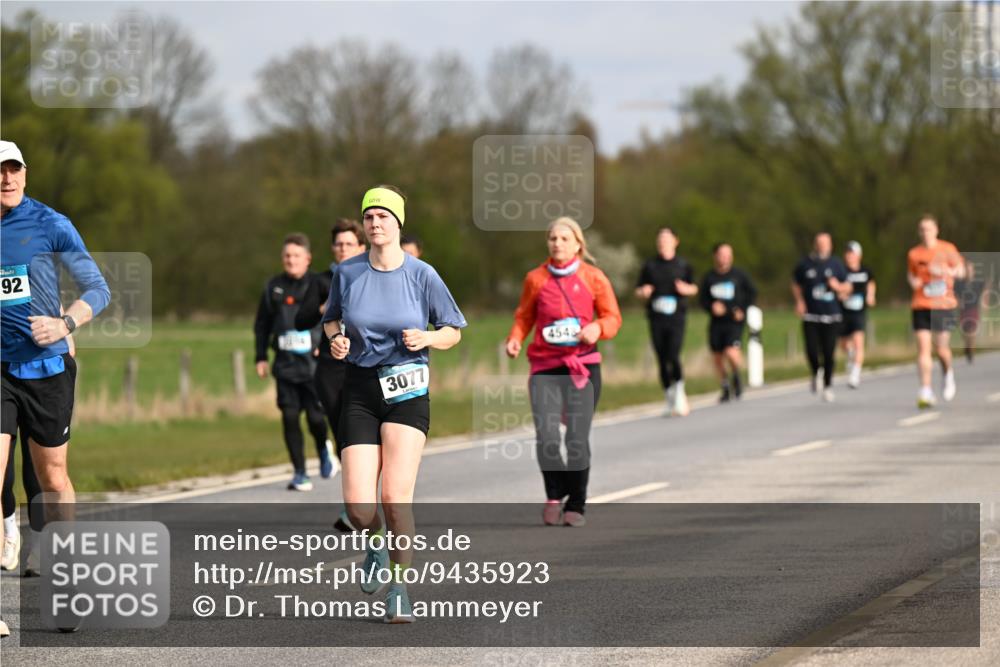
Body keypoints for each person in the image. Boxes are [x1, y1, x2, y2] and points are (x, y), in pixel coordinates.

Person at [322, 184, 466, 623]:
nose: (375, 223)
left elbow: (454, 329)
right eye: (369, 217)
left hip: (407, 392)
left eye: (383, 216)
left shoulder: (423, 274)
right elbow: (331, 322)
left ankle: (400, 588)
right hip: (361, 390)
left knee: (393, 496)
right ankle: (374, 545)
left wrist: (428, 337)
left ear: (398, 223)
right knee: (361, 509)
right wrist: (338, 342)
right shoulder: (347, 273)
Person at [1, 140, 111, 637]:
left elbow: (99, 289)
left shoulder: (50, 223)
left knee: (52, 481)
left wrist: (66, 324)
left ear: (25, 174)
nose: (6, 179)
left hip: (46, 369)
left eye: (13, 170)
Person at [505, 217, 622, 528]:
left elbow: (613, 317)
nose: (557, 243)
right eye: (553, 238)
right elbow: (524, 316)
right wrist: (515, 338)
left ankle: (577, 504)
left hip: (582, 366)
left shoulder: (594, 277)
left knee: (576, 438)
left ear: (578, 245)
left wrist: (597, 327)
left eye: (564, 239)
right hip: (544, 366)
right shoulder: (535, 279)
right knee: (546, 435)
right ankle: (555, 495)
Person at [295, 219, 367, 530]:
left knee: (366, 434)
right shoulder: (322, 280)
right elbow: (300, 319)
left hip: (363, 364)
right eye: (338, 244)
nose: (343, 249)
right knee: (344, 434)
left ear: (361, 247)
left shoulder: (370, 275)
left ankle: (367, 502)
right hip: (329, 367)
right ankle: (352, 507)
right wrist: (326, 308)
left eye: (349, 244)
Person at [254, 233, 330, 491]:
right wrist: (261, 356)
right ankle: (300, 472)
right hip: (285, 367)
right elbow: (262, 324)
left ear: (307, 259)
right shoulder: (273, 287)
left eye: (296, 255)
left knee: (316, 419)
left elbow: (335, 318)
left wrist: (326, 345)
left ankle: (322, 448)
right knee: (289, 417)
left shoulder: (320, 285)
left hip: (314, 367)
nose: (291, 260)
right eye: (287, 255)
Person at [635, 228, 698, 416]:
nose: (662, 243)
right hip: (656, 317)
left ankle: (680, 393)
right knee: (661, 359)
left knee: (673, 354)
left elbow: (694, 287)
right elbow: (638, 290)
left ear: (675, 241)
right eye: (660, 239)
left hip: (677, 317)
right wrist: (643, 292)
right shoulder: (650, 266)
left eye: (666, 239)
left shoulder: (683, 265)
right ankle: (669, 398)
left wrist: (687, 289)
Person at [907, 215, 965, 408]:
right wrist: (913, 281)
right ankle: (925, 389)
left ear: (936, 230)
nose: (926, 232)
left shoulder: (947, 249)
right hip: (922, 304)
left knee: (941, 350)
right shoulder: (914, 253)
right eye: (922, 229)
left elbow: (961, 271)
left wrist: (946, 271)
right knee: (923, 349)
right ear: (919, 232)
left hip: (943, 305)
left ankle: (948, 373)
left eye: (929, 229)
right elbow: (912, 274)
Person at [791, 232, 849, 402]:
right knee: (811, 350)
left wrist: (837, 286)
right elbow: (795, 283)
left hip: (831, 316)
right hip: (811, 315)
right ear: (815, 244)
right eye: (820, 243)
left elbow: (847, 287)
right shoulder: (805, 264)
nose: (823, 246)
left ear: (830, 245)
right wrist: (799, 301)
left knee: (829, 353)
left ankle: (828, 385)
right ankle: (816, 371)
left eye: (826, 243)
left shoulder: (836, 264)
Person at [699, 243, 757, 403]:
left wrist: (742, 310)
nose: (725, 258)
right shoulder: (709, 277)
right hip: (717, 322)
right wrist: (711, 307)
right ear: (715, 256)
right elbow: (702, 300)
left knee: (731, 352)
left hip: (734, 321)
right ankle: (725, 385)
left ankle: (737, 375)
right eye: (722, 254)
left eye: (728, 254)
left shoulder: (739, 275)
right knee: (717, 357)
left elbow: (752, 293)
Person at [839, 241, 876, 389]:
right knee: (843, 344)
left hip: (859, 312)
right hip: (843, 311)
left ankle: (855, 374)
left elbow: (871, 283)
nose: (850, 256)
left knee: (859, 341)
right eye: (847, 253)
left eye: (852, 253)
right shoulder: (841, 271)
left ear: (858, 255)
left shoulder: (865, 271)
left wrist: (871, 296)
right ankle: (850, 354)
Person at [955, 256, 984, 364]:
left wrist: (984, 304)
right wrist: (958, 302)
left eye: (970, 269)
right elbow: (955, 294)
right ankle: (967, 347)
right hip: (963, 310)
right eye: (966, 269)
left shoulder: (977, 283)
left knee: (972, 332)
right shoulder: (959, 283)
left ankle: (970, 350)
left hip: (974, 309)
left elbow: (984, 293)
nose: (968, 271)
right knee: (965, 332)